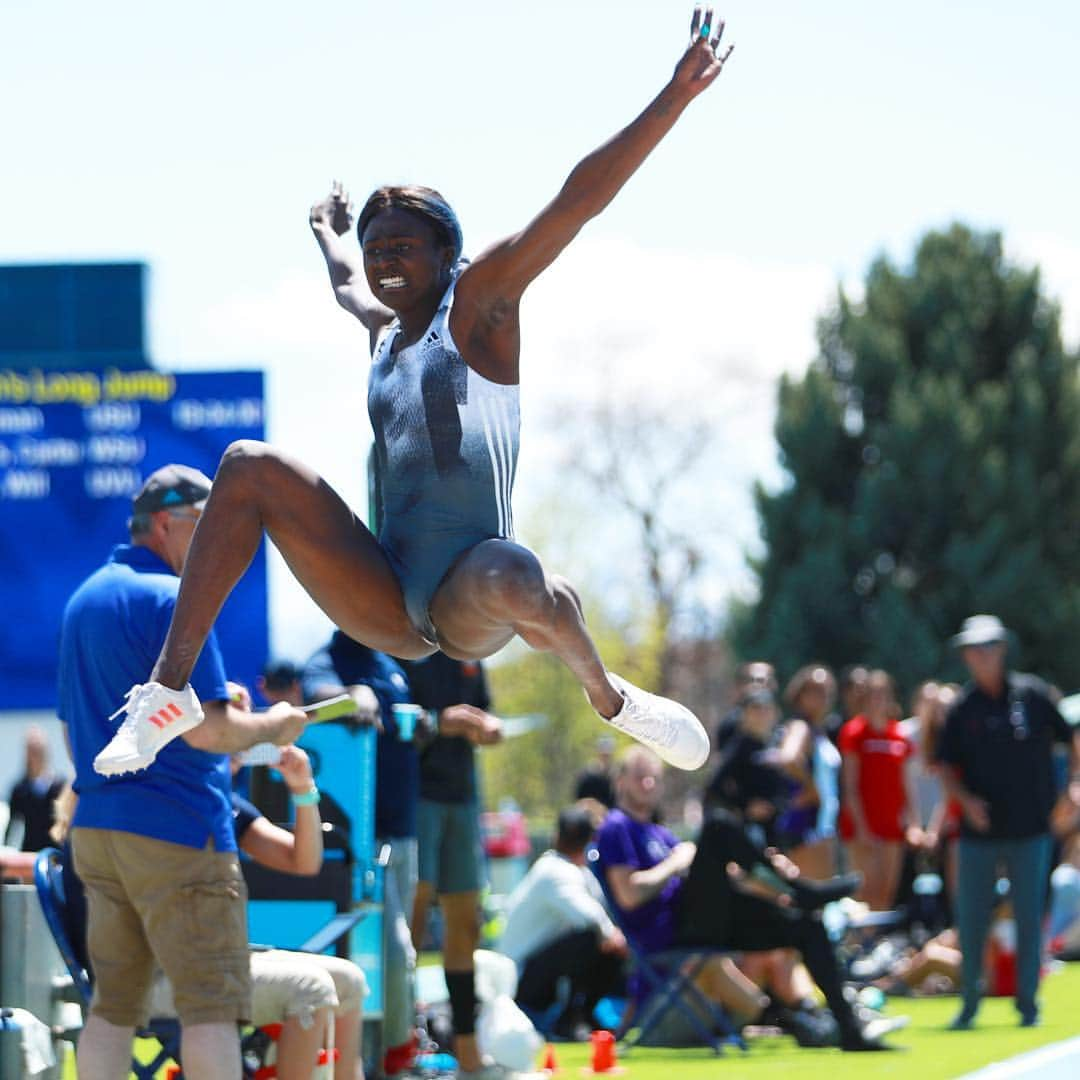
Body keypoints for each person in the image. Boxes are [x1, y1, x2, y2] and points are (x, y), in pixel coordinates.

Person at [93, 8, 735, 781]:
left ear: (446, 251)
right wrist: (329, 234)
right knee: (246, 463)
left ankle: (613, 699)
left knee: (519, 575)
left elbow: (577, 201)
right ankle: (169, 693)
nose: (384, 263)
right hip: (387, 595)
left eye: (402, 247)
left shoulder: (481, 306)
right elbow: (343, 285)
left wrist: (674, 96)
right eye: (375, 252)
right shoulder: (383, 330)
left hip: (467, 595)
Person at [57, 464, 310, 1080]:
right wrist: (276, 724)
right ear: (167, 524)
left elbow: (77, 730)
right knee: (211, 1011)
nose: (217, 544)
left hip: (97, 833)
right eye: (208, 526)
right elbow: (211, 733)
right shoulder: (176, 599)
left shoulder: (82, 601)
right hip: (178, 832)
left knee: (112, 1011)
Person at [595, 747, 897, 1051]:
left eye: (653, 778)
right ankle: (800, 890)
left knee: (806, 925)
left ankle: (849, 1031)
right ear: (620, 781)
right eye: (639, 778)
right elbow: (630, 895)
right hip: (671, 931)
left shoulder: (660, 833)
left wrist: (766, 874)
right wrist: (676, 863)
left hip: (705, 922)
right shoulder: (616, 827)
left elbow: (717, 875)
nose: (648, 785)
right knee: (716, 828)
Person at [937, 614, 1080, 1030]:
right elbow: (945, 766)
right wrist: (966, 803)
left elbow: (1069, 737)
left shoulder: (1032, 696)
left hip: (1031, 829)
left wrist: (1072, 784)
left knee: (1029, 914)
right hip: (979, 835)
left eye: (987, 649)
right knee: (972, 918)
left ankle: (1028, 1004)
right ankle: (968, 1003)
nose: (980, 658)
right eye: (972, 651)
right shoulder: (963, 708)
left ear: (1001, 650)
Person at [300, 630, 421, 1078]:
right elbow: (314, 697)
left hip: (403, 830)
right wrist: (352, 695)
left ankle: (388, 1058)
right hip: (360, 839)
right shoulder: (327, 660)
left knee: (398, 956)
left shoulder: (389, 656)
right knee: (385, 951)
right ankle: (383, 1062)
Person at [404, 653, 502, 1078]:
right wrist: (439, 721)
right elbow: (395, 720)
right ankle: (402, 1041)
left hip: (463, 798)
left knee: (467, 925)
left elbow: (485, 711)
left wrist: (489, 728)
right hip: (416, 795)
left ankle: (467, 1049)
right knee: (413, 919)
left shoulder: (470, 651)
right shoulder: (404, 642)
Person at [499, 806, 626, 1038]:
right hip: (519, 980)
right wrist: (610, 935)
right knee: (591, 939)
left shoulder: (569, 869)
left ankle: (583, 1015)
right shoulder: (554, 870)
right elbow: (588, 916)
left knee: (605, 943)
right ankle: (569, 1019)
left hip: (531, 972)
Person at [838, 669, 922, 911]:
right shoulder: (854, 732)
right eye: (873, 694)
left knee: (887, 891)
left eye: (883, 694)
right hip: (863, 826)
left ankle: (876, 944)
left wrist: (914, 823)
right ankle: (859, 944)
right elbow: (850, 785)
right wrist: (863, 827)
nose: (878, 699)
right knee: (865, 893)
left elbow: (908, 783)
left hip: (892, 826)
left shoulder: (899, 735)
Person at [777, 665, 842, 880]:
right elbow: (788, 758)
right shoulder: (800, 727)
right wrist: (812, 788)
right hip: (806, 828)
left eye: (826, 691)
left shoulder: (819, 729)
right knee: (812, 900)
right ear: (799, 694)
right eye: (814, 690)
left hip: (824, 827)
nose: (822, 698)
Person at [5, 726, 66, 851]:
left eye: (38, 749)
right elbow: (12, 827)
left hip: (55, 854)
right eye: (32, 750)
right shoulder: (20, 790)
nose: (36, 755)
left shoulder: (60, 787)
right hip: (29, 853)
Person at [573, 735, 617, 809]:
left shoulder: (616, 777)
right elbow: (578, 801)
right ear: (598, 753)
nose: (605, 757)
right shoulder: (586, 775)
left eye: (607, 755)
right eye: (603, 754)